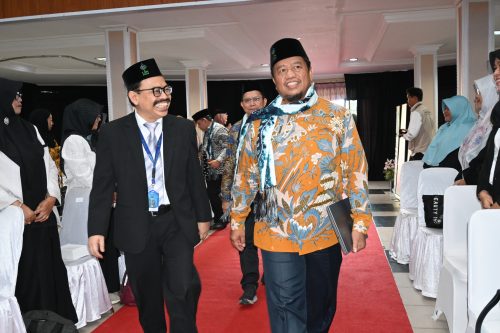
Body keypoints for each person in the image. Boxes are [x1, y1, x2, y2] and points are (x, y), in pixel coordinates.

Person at [229, 38, 373, 333]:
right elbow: (246, 175)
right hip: (275, 228)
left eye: (296, 67)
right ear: (274, 79)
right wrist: (237, 218)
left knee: (322, 304)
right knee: (285, 305)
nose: (290, 74)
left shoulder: (337, 117)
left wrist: (360, 222)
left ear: (309, 71)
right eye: (282, 70)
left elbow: (355, 170)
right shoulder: (258, 123)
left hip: (325, 228)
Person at [87, 58, 211, 333]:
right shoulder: (113, 133)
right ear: (134, 97)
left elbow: (193, 176)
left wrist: (203, 216)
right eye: (155, 91)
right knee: (148, 296)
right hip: (135, 225)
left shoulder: (181, 129)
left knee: (183, 289)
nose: (164, 96)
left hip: (175, 222)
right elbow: (102, 185)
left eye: (165, 89)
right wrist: (96, 229)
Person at [0, 77, 78, 323]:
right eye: (14, 95)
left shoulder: (30, 129)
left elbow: (50, 168)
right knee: (25, 276)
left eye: (21, 96)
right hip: (14, 220)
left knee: (48, 272)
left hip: (42, 215)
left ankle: (53, 323)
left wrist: (51, 198)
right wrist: (16, 205)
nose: (19, 100)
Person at [221, 83, 267, 305]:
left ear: (264, 102)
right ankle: (249, 285)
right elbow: (229, 164)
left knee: (269, 237)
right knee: (245, 240)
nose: (252, 104)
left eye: (256, 99)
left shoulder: (275, 125)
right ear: (242, 105)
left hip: (270, 195)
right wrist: (225, 196)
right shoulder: (235, 129)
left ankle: (272, 273)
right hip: (244, 195)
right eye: (247, 101)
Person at [455, 74, 498, 185]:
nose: (475, 97)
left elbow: (486, 159)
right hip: (471, 180)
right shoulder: (480, 123)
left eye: (479, 92)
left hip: (482, 184)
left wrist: (468, 179)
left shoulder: (493, 124)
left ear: (490, 94)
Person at [192, 108, 229, 230]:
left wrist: (218, 160)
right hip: (211, 170)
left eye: (199, 123)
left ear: (204, 120)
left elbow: (229, 147)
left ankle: (222, 219)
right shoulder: (209, 131)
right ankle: (219, 218)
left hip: (220, 170)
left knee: (216, 195)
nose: (199, 126)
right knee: (212, 195)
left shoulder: (219, 129)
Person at [422, 95, 476, 172]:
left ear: (459, 108)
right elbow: (433, 149)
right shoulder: (444, 128)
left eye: (448, 109)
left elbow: (457, 157)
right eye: (444, 108)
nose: (444, 111)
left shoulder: (470, 127)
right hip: (433, 170)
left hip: (451, 172)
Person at [477, 49, 500, 209]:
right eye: (495, 68)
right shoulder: (498, 112)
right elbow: (490, 157)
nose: (495, 74)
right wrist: (483, 190)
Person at [28, 108, 63, 184]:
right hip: (43, 184)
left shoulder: (52, 139)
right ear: (42, 121)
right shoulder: (33, 143)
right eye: (50, 120)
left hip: (58, 182)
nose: (52, 123)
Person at [399, 87, 435, 160]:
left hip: (419, 152)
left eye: (408, 98)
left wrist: (403, 135)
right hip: (428, 151)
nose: (407, 101)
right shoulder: (426, 110)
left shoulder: (417, 112)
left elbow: (411, 134)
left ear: (415, 98)